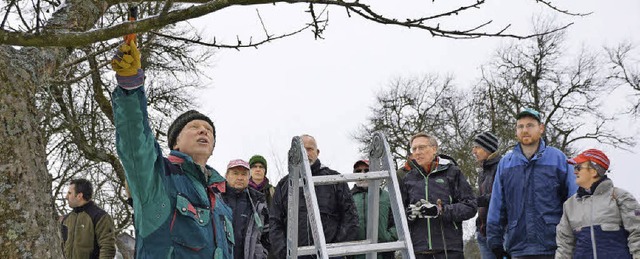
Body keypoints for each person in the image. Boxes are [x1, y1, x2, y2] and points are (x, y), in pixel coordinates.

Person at [111, 40, 234, 258]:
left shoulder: (222, 201)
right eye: (194, 127)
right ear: (175, 142)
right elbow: (135, 142)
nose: (203, 131)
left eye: (208, 130)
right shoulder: (157, 177)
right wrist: (130, 88)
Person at [486, 108, 578, 259]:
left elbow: (573, 199)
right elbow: (497, 204)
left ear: (541, 128)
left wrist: (577, 235)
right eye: (520, 126)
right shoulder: (506, 164)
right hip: (518, 247)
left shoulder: (558, 159)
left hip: (555, 246)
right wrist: (495, 241)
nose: (525, 130)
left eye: (530, 125)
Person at [270, 134, 359, 258]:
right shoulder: (284, 185)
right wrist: (284, 253)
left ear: (317, 152)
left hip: (329, 255)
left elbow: (350, 217)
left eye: (309, 149)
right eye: (302, 150)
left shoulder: (334, 179)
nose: (305, 153)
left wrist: (336, 250)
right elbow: (275, 222)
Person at [400, 132, 477, 259]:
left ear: (434, 149)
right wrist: (409, 215)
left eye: (422, 147)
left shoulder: (452, 173)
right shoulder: (408, 178)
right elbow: (398, 215)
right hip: (418, 250)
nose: (417, 152)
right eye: (414, 149)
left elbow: (470, 207)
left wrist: (439, 210)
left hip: (449, 249)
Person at [555, 149, 640, 259]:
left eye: (578, 167)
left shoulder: (620, 197)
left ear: (594, 171)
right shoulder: (570, 205)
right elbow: (564, 245)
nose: (575, 171)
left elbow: (637, 233)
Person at [222, 159, 270, 259]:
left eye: (244, 174)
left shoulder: (258, 202)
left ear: (249, 177)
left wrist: (261, 253)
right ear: (226, 176)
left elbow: (267, 233)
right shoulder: (215, 197)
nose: (240, 178)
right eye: (235, 173)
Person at [350, 159, 397, 259]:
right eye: (358, 171)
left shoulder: (388, 196)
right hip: (355, 254)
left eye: (367, 170)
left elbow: (398, 222)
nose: (363, 174)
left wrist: (388, 237)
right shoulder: (347, 197)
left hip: (384, 253)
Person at [61, 178, 116, 259]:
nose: (66, 197)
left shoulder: (100, 217)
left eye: (69, 193)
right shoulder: (66, 220)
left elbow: (107, 248)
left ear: (79, 196)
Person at [473, 132, 502, 259]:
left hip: (500, 232)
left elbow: (501, 197)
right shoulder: (482, 172)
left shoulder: (502, 167)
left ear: (488, 149)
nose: (474, 151)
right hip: (483, 231)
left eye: (477, 147)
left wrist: (476, 201)